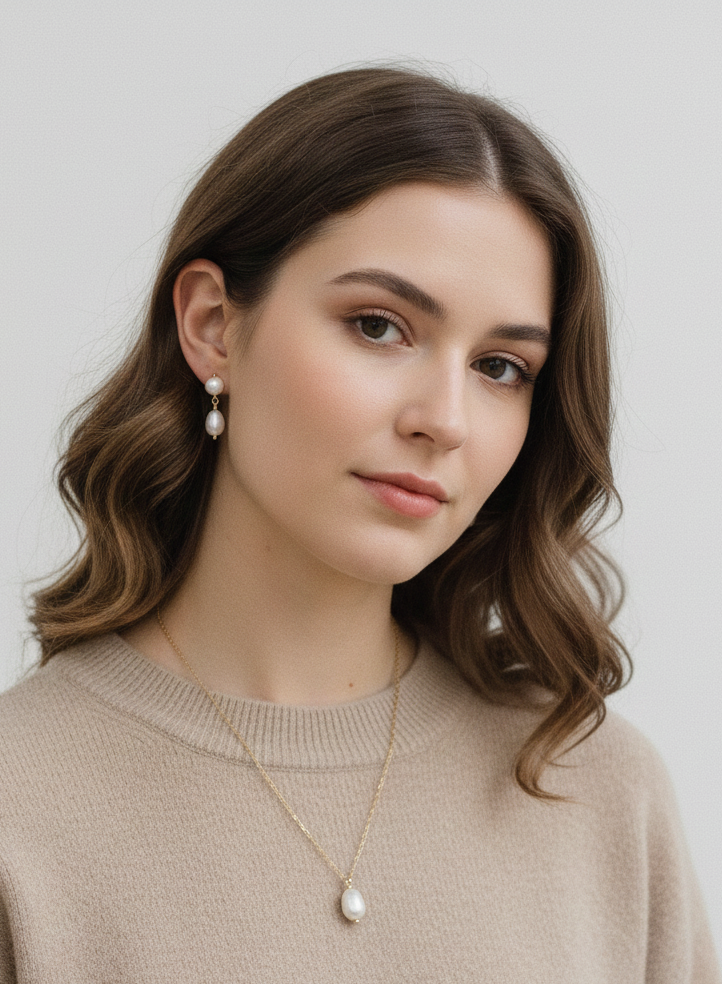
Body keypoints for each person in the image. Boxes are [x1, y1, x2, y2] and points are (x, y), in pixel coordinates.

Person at [0, 65, 718, 983]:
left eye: (500, 367)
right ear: (213, 325)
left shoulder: (599, 794)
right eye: (379, 326)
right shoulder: (22, 809)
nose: (444, 420)